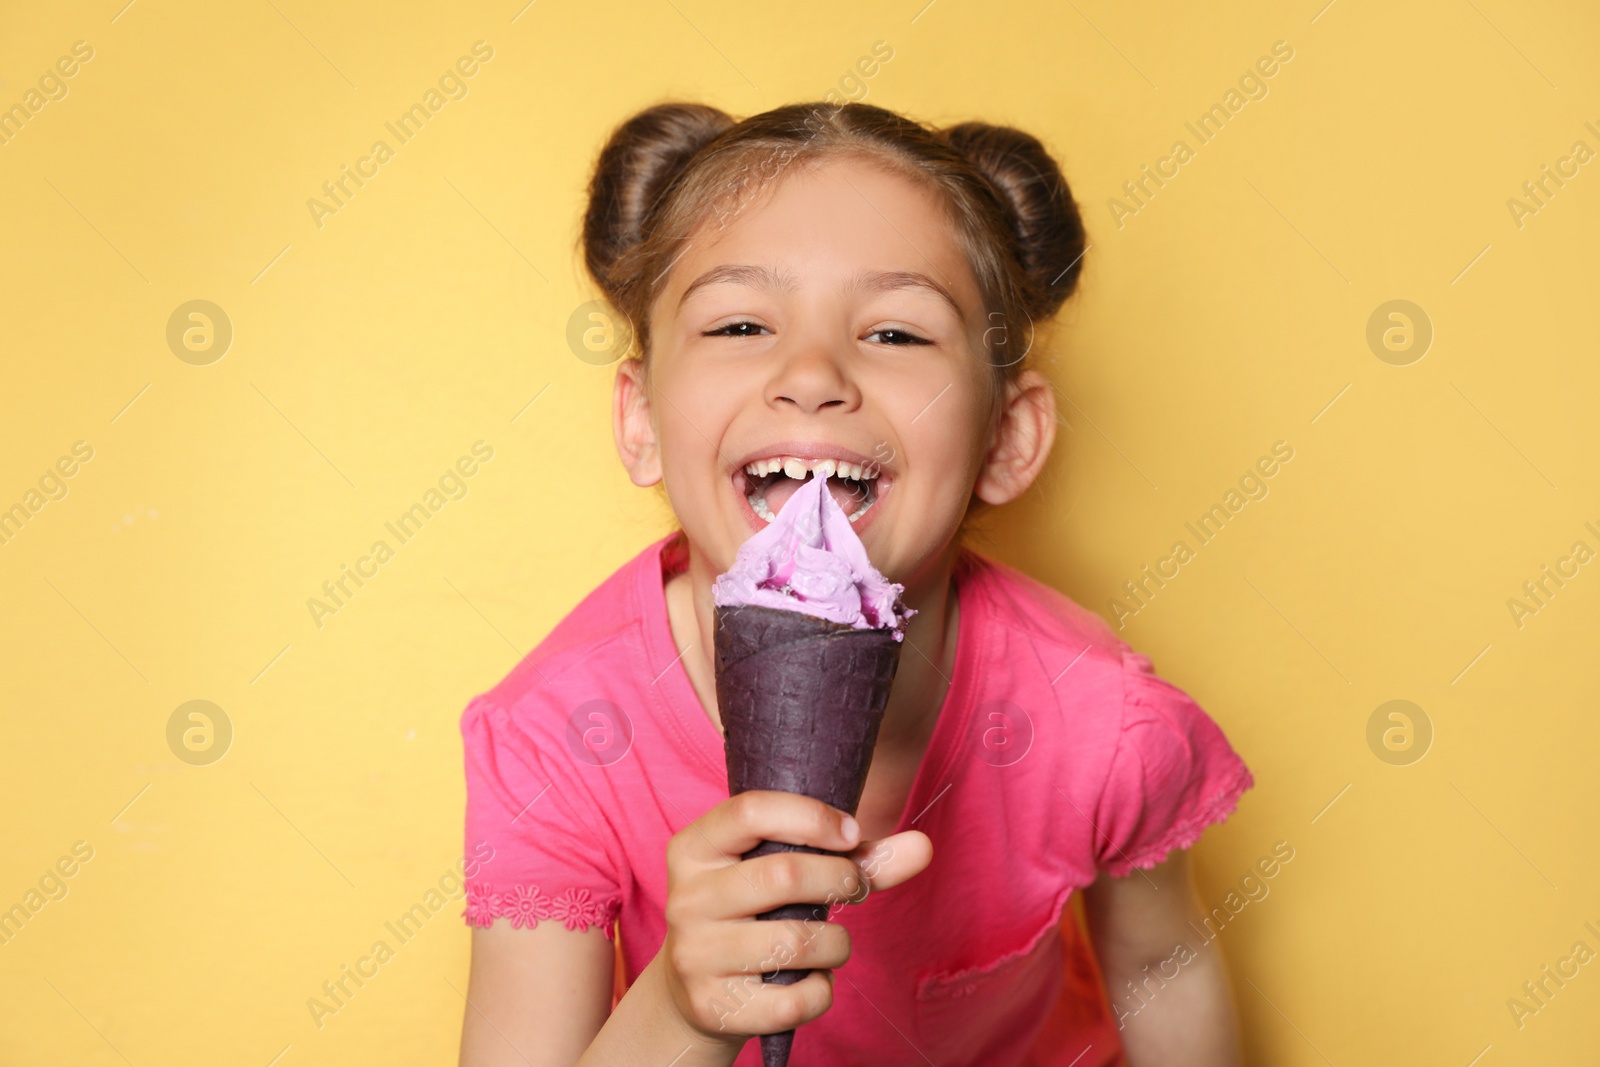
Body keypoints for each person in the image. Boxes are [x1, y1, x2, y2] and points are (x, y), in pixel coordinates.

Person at [457, 100, 1253, 1067]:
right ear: (642, 423)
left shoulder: (1104, 717)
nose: (812, 373)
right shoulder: (556, 740)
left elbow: (1163, 961)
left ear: (1006, 438)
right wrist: (684, 1005)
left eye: (897, 334)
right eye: (743, 322)